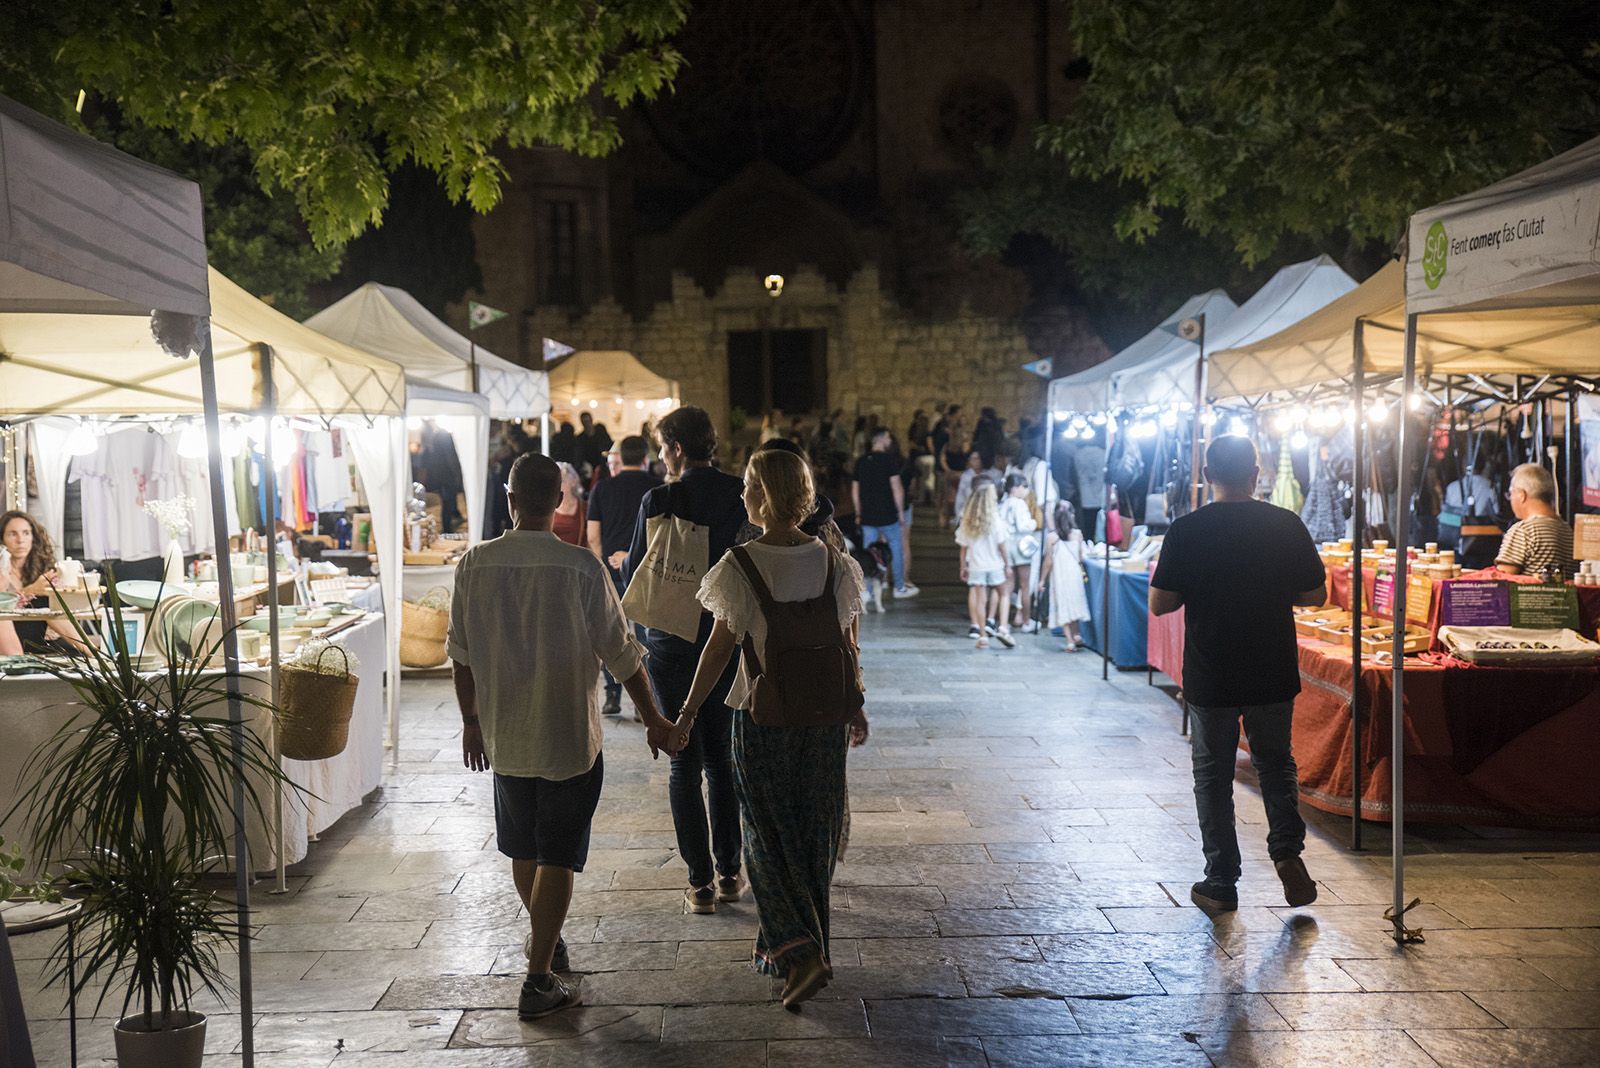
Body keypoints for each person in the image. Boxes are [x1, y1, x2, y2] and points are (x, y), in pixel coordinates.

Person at [447, 454, 677, 1020]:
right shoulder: (581, 569)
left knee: (524, 847)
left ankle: (545, 941)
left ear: (510, 501)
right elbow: (623, 657)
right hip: (568, 737)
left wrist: (471, 722)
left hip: (505, 735)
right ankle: (538, 977)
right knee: (557, 855)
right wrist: (653, 717)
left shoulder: (474, 565)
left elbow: (460, 656)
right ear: (559, 503)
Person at [670, 449, 868, 1009]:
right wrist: (856, 704)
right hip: (826, 720)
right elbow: (849, 645)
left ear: (760, 495)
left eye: (748, 487)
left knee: (764, 835)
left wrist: (686, 714)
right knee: (813, 836)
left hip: (762, 720)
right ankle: (800, 959)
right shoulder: (835, 564)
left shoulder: (740, 565)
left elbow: (717, 651)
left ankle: (804, 957)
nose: (741, 496)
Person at [1149, 436, 1325, 915]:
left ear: (1207, 476)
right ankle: (1287, 853)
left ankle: (1221, 880)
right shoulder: (1285, 524)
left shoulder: (1187, 530)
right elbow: (1315, 596)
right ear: (1257, 472)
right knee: (1275, 763)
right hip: (1271, 664)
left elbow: (1161, 603)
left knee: (1213, 775)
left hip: (1212, 669)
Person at [622, 406, 750, 913]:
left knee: (683, 762)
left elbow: (636, 568)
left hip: (671, 642)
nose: (659, 454)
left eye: (661, 445)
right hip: (727, 639)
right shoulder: (740, 493)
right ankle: (729, 873)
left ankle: (697, 883)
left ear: (675, 446)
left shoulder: (658, 499)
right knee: (722, 761)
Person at [587, 437, 661, 716]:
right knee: (647, 637)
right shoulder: (658, 488)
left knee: (611, 637)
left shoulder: (602, 489)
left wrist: (605, 566)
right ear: (645, 458)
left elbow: (593, 536)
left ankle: (612, 695)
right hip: (648, 574)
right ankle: (649, 699)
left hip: (611, 572)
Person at [0, 511, 91, 655]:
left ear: (33, 538)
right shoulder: (2, 571)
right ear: (2, 539)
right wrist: (31, 591)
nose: (20, 540)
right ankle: (91, 651)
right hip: (8, 635)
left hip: (36, 635)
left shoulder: (39, 568)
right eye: (12, 534)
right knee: (43, 601)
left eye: (26, 533)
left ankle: (90, 651)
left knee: (75, 654)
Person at [851, 427, 918, 601]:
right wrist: (901, 513)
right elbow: (897, 489)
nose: (890, 440)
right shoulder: (889, 461)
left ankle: (867, 591)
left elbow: (855, 490)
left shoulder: (861, 461)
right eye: (888, 437)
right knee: (896, 549)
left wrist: (858, 512)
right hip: (888, 515)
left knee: (868, 553)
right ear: (881, 439)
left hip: (868, 516)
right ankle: (899, 587)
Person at [955, 484, 1013, 649]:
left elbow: (963, 548)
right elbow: (1002, 546)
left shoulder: (967, 521)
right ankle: (1002, 626)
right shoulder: (995, 521)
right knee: (1004, 593)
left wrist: (962, 567)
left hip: (975, 566)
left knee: (980, 600)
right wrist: (1007, 564)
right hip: (994, 564)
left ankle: (982, 635)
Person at [1496, 463, 1574, 578]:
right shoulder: (1568, 531)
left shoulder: (1524, 531)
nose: (1510, 499)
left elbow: (1501, 581)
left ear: (1522, 495)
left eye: (1511, 493)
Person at [1038, 501, 1090, 651]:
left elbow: (1048, 561)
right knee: (1075, 602)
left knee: (1062, 605)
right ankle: (1077, 634)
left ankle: (1069, 641)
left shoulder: (1051, 538)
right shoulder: (1077, 534)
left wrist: (1042, 580)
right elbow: (1081, 557)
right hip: (1074, 574)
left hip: (1059, 575)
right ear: (1072, 515)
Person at [998, 474, 1040, 634]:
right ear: (1015, 488)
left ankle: (1003, 623)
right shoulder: (1020, 504)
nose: (1026, 490)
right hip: (1020, 546)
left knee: (1007, 587)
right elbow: (1023, 526)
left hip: (1006, 546)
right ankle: (1026, 621)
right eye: (1025, 487)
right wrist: (1034, 523)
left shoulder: (1003, 503)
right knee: (1025, 585)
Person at [550, 462, 588, 548]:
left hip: (579, 558)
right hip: (553, 558)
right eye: (556, 482)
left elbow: (592, 538)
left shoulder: (585, 508)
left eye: (562, 481)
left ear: (573, 481)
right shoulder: (548, 509)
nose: (558, 485)